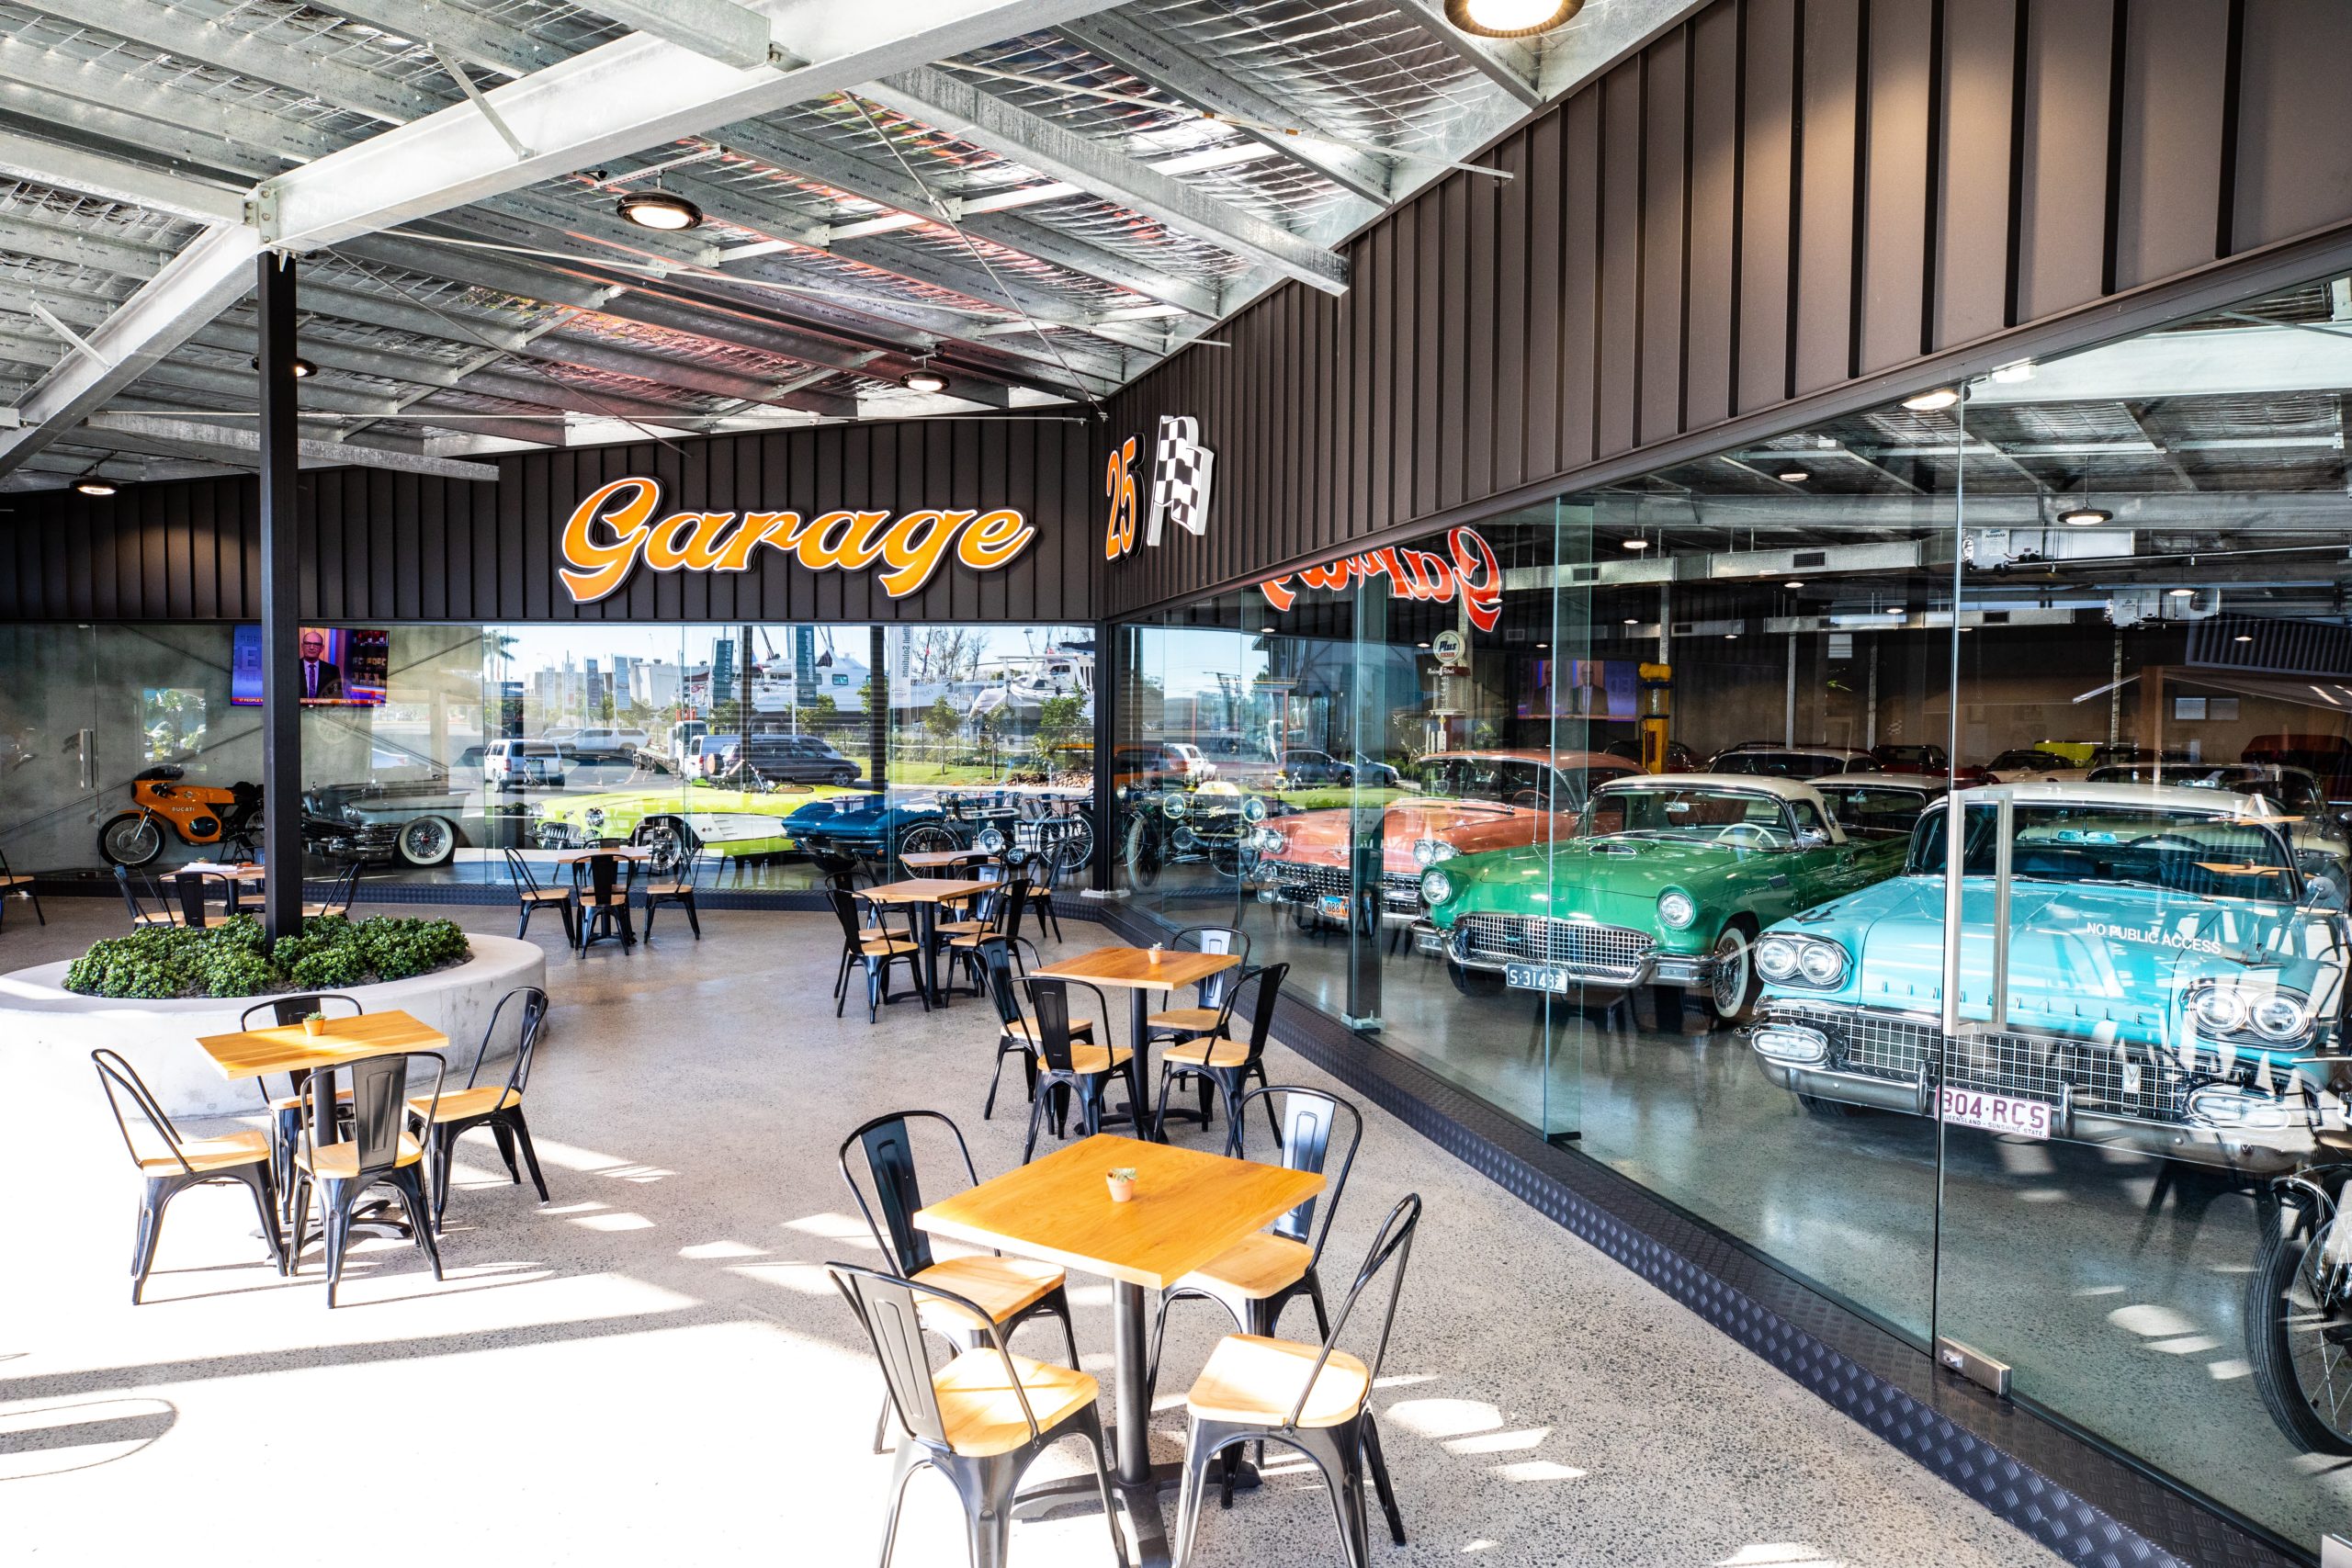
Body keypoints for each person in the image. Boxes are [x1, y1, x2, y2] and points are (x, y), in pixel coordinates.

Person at [299, 630, 343, 701]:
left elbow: (338, 697)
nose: (312, 647)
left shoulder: (333, 671)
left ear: (322, 648)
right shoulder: (291, 668)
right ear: (302, 646)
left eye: (316, 644)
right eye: (308, 643)